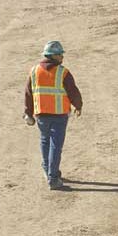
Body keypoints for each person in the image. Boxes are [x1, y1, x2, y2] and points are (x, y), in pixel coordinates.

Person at [23, 41, 82, 190]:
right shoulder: (63, 72)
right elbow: (73, 91)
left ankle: (47, 168)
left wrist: (28, 113)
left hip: (41, 114)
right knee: (56, 145)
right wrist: (78, 105)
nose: (62, 56)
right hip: (59, 115)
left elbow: (28, 94)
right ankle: (53, 178)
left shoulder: (34, 71)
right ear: (53, 56)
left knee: (45, 141)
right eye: (60, 54)